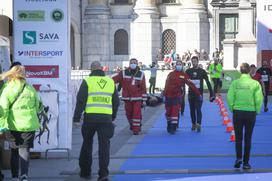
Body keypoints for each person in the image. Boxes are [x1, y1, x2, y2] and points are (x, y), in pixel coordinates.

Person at [73, 61, 119, 181]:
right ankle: (103, 174)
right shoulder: (110, 81)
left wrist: (76, 119)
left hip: (90, 119)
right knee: (104, 147)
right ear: (102, 69)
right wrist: (113, 116)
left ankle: (85, 172)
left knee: (87, 144)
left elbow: (81, 100)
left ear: (91, 70)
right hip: (106, 119)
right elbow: (116, 101)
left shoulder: (88, 81)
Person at [0, 65, 42, 181]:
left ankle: (14, 176)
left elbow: (3, 109)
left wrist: (1, 125)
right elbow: (38, 106)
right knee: (25, 150)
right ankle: (24, 176)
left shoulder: (7, 88)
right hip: (29, 125)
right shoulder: (30, 88)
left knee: (14, 151)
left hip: (12, 125)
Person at [227, 63, 263, 170]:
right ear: (249, 71)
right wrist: (257, 110)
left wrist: (232, 108)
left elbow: (229, 97)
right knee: (248, 138)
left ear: (240, 71)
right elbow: (259, 98)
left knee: (238, 138)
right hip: (250, 112)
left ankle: (238, 158)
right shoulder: (255, 83)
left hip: (238, 112)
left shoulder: (235, 83)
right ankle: (246, 163)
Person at [164, 60, 201, 134]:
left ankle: (173, 127)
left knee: (175, 111)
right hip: (168, 96)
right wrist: (164, 93)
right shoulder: (170, 74)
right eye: (177, 64)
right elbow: (166, 84)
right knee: (168, 112)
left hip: (177, 96)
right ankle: (169, 124)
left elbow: (191, 84)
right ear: (175, 66)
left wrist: (198, 93)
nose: (179, 65)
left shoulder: (184, 75)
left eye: (180, 64)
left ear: (182, 66)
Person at [112, 58, 147, 135]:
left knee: (136, 114)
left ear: (137, 64)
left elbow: (143, 87)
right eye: (132, 62)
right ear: (129, 64)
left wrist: (144, 100)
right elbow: (115, 79)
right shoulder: (124, 73)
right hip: (127, 98)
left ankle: (136, 129)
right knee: (129, 114)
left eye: (134, 63)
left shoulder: (141, 74)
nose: (133, 64)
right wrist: (106, 80)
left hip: (137, 98)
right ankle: (133, 125)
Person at [186, 55, 215, 132]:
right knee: (192, 110)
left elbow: (208, 82)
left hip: (199, 94)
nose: (193, 63)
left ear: (198, 62)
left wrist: (211, 93)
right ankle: (193, 123)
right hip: (190, 93)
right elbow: (184, 81)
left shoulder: (202, 71)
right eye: (192, 62)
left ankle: (199, 124)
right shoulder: (188, 71)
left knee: (198, 109)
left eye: (195, 61)